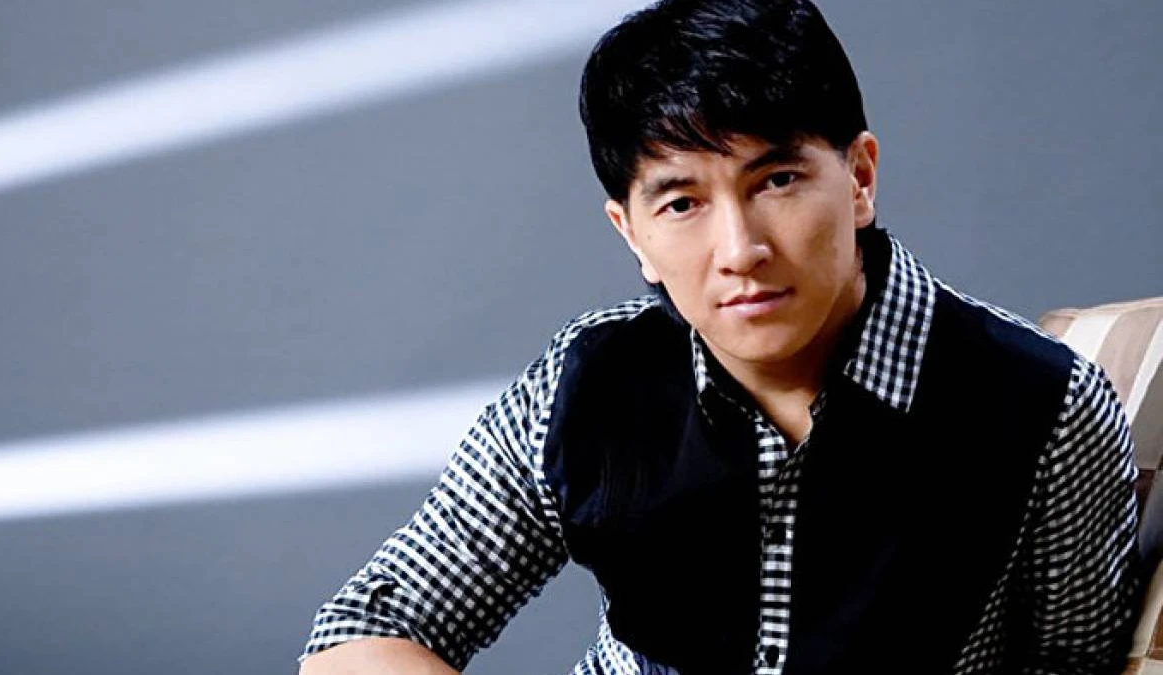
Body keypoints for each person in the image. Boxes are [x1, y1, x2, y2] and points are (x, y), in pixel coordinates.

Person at [299, 0, 1141, 673]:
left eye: (776, 180)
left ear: (859, 178)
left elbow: (1072, 663)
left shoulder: (1047, 406)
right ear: (632, 234)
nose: (740, 250)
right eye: (682, 203)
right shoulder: (587, 381)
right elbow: (366, 627)